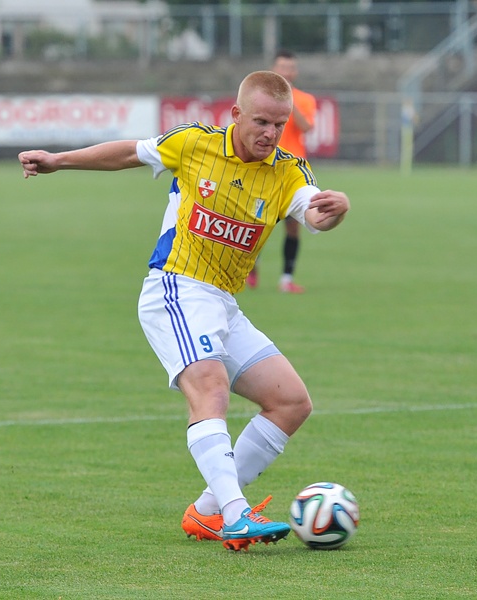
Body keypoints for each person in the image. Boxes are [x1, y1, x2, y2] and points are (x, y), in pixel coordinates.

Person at [19, 71, 350, 551]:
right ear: (235, 114)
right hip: (175, 287)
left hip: (223, 303)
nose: (271, 134)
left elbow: (312, 211)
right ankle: (237, 516)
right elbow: (129, 152)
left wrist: (334, 210)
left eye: (279, 125)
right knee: (211, 389)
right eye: (261, 122)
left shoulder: (288, 170)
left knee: (291, 402)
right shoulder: (194, 144)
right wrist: (59, 160)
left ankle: (208, 512)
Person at [247, 50, 318, 293]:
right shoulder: (260, 99)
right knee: (254, 222)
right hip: (264, 167)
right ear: (273, 69)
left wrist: (290, 103)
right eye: (282, 67)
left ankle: (286, 278)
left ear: (294, 72)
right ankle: (249, 268)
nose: (286, 72)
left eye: (290, 67)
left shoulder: (304, 99)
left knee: (293, 226)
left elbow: (306, 126)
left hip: (291, 172)